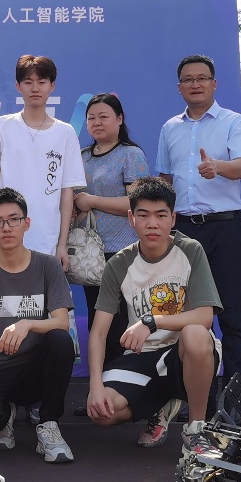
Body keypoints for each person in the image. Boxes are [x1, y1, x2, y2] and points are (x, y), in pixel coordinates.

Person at [86, 178, 222, 452]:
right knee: (102, 413)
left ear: (173, 218)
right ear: (131, 219)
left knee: (196, 333)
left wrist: (152, 321)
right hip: (143, 356)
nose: (152, 224)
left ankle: (196, 428)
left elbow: (205, 316)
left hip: (183, 353)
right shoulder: (118, 264)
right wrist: (94, 385)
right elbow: (98, 332)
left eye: (161, 215)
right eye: (143, 215)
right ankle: (158, 407)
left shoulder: (190, 250)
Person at [156, 54, 241, 385]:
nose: (195, 84)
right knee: (184, 315)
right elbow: (165, 180)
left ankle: (237, 394)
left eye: (201, 78)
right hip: (183, 231)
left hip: (225, 228)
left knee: (232, 314)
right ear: (179, 87)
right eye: (188, 79)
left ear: (214, 84)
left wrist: (217, 167)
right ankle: (193, 392)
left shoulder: (233, 122)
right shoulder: (170, 128)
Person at [0, 188, 76, 463]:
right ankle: (6, 413)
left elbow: (61, 321)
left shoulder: (48, 265)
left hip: (35, 366)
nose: (6, 227)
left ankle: (48, 423)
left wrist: (27, 324)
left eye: (14, 219)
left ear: (27, 223)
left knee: (61, 341)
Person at [0, 55, 86, 266]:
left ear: (52, 86)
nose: (35, 88)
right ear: (18, 86)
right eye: (28, 82)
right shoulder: (0, 127)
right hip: (5, 235)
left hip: (47, 239)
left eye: (42, 82)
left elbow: (67, 192)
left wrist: (62, 244)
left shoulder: (65, 133)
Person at [76, 93, 149, 356]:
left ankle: (123, 374)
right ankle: (102, 374)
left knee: (122, 320)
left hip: (122, 251)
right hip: (89, 254)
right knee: (97, 318)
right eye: (91, 118)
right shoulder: (81, 156)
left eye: (103, 117)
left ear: (119, 119)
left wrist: (92, 201)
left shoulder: (130, 154)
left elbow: (138, 203)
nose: (97, 122)